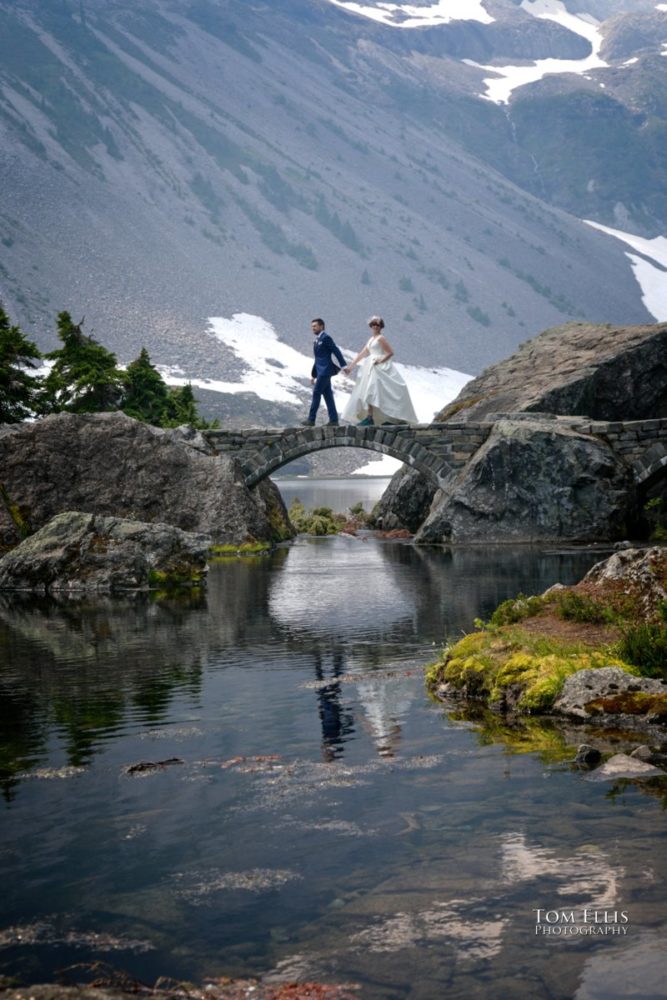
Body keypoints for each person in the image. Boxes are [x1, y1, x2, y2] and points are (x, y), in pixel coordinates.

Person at [342, 316, 417, 426]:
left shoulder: (381, 338)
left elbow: (390, 352)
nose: (375, 326)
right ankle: (370, 417)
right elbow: (362, 353)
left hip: (378, 366)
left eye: (377, 324)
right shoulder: (371, 339)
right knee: (369, 391)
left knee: (375, 391)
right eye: (373, 324)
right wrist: (351, 366)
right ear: (371, 326)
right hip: (370, 366)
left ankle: (383, 417)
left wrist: (381, 360)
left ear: (381, 326)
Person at [301, 318, 347, 426]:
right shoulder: (317, 340)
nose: (313, 328)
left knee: (316, 392)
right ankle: (334, 420)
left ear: (321, 326)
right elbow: (318, 359)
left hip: (325, 370)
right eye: (312, 326)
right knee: (327, 395)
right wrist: (313, 375)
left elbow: (336, 350)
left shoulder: (326, 338)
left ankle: (311, 419)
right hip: (321, 371)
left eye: (315, 326)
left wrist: (343, 365)